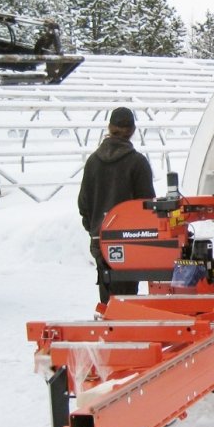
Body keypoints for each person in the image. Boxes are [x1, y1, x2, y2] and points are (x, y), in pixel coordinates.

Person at [78, 107, 156, 304]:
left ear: (109, 127)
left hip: (100, 239)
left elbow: (83, 205)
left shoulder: (92, 162)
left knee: (108, 297)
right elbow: (147, 206)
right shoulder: (137, 163)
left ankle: (110, 328)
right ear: (133, 130)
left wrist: (96, 229)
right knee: (127, 299)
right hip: (130, 240)